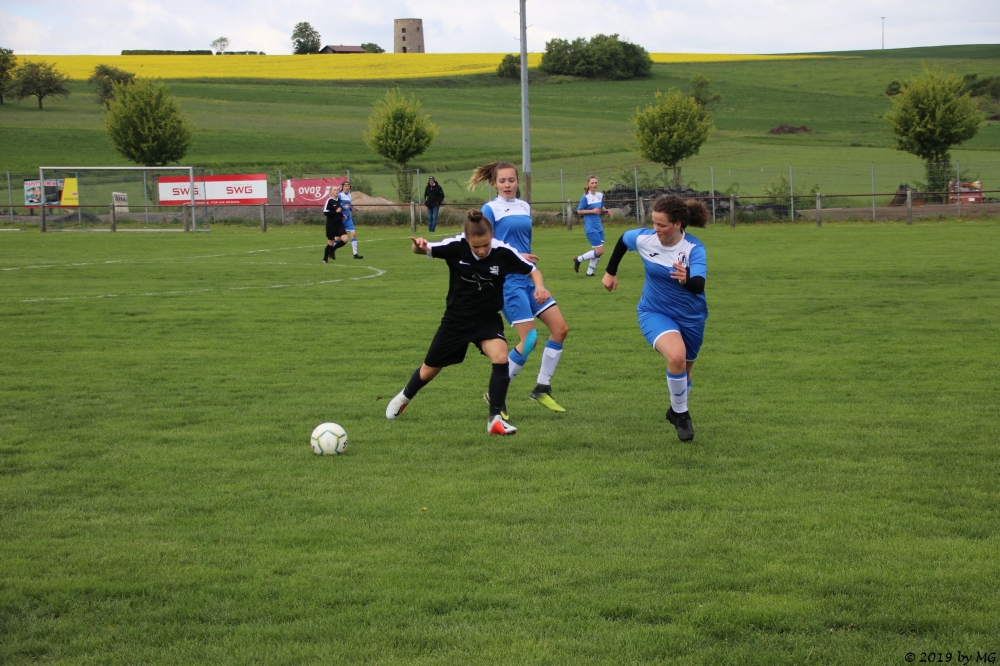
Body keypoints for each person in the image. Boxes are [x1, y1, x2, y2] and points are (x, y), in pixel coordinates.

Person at [385, 210, 551, 435]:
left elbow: (533, 271)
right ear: (467, 240)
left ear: (491, 236)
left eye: (485, 245)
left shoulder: (503, 251)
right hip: (456, 321)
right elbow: (422, 250)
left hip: (487, 320)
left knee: (501, 357)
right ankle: (404, 396)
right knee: (428, 371)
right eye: (476, 246)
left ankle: (495, 419)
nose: (482, 250)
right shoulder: (456, 247)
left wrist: (539, 287)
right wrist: (419, 246)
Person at [601, 195, 709, 442]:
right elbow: (623, 240)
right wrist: (610, 272)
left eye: (662, 225)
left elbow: (699, 285)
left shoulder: (694, 248)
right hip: (654, 311)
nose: (656, 229)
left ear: (678, 224)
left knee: (684, 371)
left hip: (691, 317)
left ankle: (675, 409)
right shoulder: (646, 239)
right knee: (676, 356)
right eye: (654, 223)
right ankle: (681, 415)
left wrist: (686, 279)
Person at [469, 161, 569, 413]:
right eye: (502, 181)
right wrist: (514, 256)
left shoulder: (524, 206)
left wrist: (526, 263)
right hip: (507, 282)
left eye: (511, 180)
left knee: (560, 330)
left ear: (518, 182)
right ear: (494, 183)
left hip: (527, 278)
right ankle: (495, 395)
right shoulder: (489, 209)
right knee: (530, 339)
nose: (507, 185)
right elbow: (484, 246)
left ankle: (542, 388)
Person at [573, 175, 609, 276]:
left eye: (596, 182)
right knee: (600, 251)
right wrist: (592, 211)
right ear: (588, 184)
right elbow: (579, 211)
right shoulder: (585, 197)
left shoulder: (600, 195)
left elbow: (601, 206)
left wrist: (605, 210)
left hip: (599, 226)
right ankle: (578, 259)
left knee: (598, 251)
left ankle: (590, 273)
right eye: (592, 183)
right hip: (590, 227)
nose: (594, 184)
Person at [337, 180, 363, 259]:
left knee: (353, 234)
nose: (347, 187)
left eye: (348, 186)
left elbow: (348, 206)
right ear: (342, 187)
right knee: (338, 237)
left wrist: (352, 209)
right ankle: (331, 250)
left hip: (348, 218)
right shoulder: (339, 195)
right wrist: (343, 207)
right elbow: (337, 205)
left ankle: (355, 254)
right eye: (346, 186)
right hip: (341, 218)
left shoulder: (349, 195)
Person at [322, 195, 348, 263]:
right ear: (331, 192)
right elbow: (325, 213)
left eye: (337, 190)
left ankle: (333, 250)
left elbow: (339, 211)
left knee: (345, 239)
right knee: (331, 243)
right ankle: (325, 259)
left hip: (339, 224)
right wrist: (335, 212)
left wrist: (342, 215)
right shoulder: (329, 201)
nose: (336, 191)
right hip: (331, 225)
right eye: (334, 190)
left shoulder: (339, 200)